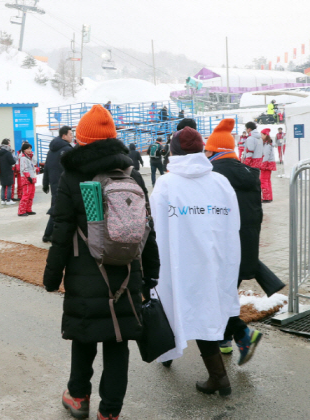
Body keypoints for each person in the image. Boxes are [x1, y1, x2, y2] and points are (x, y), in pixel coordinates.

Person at [43, 104, 160, 420]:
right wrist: (151, 275)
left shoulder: (72, 176)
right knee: (118, 342)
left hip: (86, 272)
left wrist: (52, 276)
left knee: (84, 336)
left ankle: (78, 397)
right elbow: (148, 230)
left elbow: (62, 231)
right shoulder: (131, 174)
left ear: (81, 140)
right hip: (127, 272)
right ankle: (110, 412)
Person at [150, 126, 241, 396]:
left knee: (171, 304)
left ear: (173, 152)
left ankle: (168, 354)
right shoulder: (220, 182)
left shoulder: (166, 183)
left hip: (179, 261)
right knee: (206, 310)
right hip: (215, 260)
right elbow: (233, 223)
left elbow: (157, 226)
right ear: (202, 149)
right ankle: (218, 376)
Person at [204, 118, 264, 364]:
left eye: (207, 150)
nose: (204, 154)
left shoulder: (213, 175)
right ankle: (225, 340)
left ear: (215, 151)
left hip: (222, 248)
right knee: (226, 294)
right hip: (245, 247)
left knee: (216, 295)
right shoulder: (249, 174)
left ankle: (241, 334)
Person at [42, 126, 73, 242]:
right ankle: (48, 234)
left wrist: (45, 183)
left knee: (56, 208)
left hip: (55, 184)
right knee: (57, 210)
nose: (72, 136)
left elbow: (47, 168)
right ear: (64, 136)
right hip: (64, 185)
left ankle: (50, 234)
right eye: (70, 134)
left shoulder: (51, 150)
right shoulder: (68, 150)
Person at [18, 143, 37, 217]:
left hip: (32, 178)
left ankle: (28, 209)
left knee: (31, 195)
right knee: (26, 195)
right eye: (28, 149)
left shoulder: (29, 157)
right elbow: (24, 168)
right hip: (27, 179)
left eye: (30, 148)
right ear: (24, 150)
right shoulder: (23, 158)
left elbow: (33, 165)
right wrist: (28, 177)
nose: (29, 150)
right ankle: (21, 211)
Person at [0, 139, 17, 205]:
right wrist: (13, 155)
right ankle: (8, 200)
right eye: (9, 143)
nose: (10, 145)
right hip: (8, 171)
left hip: (1, 171)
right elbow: (13, 162)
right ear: (6, 145)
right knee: (9, 186)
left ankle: (3, 200)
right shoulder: (8, 153)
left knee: (3, 186)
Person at [260, 128, 277, 203]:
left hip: (266, 164)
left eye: (262, 135)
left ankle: (266, 197)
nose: (261, 136)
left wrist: (263, 164)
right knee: (267, 180)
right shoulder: (268, 143)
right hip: (269, 164)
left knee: (263, 180)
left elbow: (265, 155)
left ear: (265, 135)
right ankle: (269, 196)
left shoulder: (267, 144)